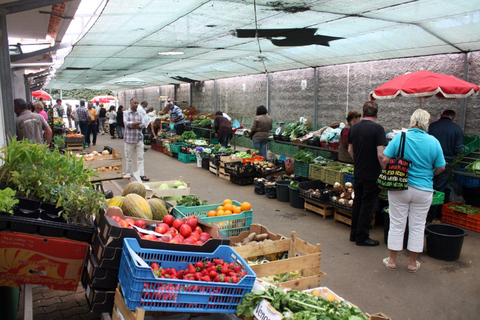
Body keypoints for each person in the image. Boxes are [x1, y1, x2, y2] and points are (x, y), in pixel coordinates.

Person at [382, 109, 445, 272]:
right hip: (424, 189)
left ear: (412, 121)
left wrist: (390, 169)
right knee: (417, 226)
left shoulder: (401, 137)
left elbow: (385, 158)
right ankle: (412, 264)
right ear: (427, 123)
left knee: (396, 224)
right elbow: (441, 167)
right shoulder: (433, 141)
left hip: (400, 187)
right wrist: (430, 174)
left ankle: (392, 261)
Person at [348, 101, 387, 246]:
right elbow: (380, 154)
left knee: (357, 202)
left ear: (363, 113)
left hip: (358, 171)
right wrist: (385, 169)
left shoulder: (354, 127)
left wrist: (358, 162)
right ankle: (362, 237)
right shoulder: (378, 129)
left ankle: (354, 234)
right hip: (372, 173)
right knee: (367, 205)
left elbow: (350, 150)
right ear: (377, 114)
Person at [427, 109, 463, 222]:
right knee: (439, 190)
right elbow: (458, 150)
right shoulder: (457, 129)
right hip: (445, 163)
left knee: (427, 187)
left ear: (441, 115)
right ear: (453, 118)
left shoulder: (431, 126)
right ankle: (432, 217)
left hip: (429, 163)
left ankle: (424, 215)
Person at [124, 98, 149, 181]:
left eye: (137, 103)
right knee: (129, 157)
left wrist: (133, 125)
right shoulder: (126, 113)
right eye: (134, 103)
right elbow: (127, 124)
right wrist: (137, 124)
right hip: (129, 139)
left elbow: (143, 125)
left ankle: (141, 174)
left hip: (139, 138)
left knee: (140, 157)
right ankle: (129, 173)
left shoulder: (140, 114)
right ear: (130, 103)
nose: (136, 104)